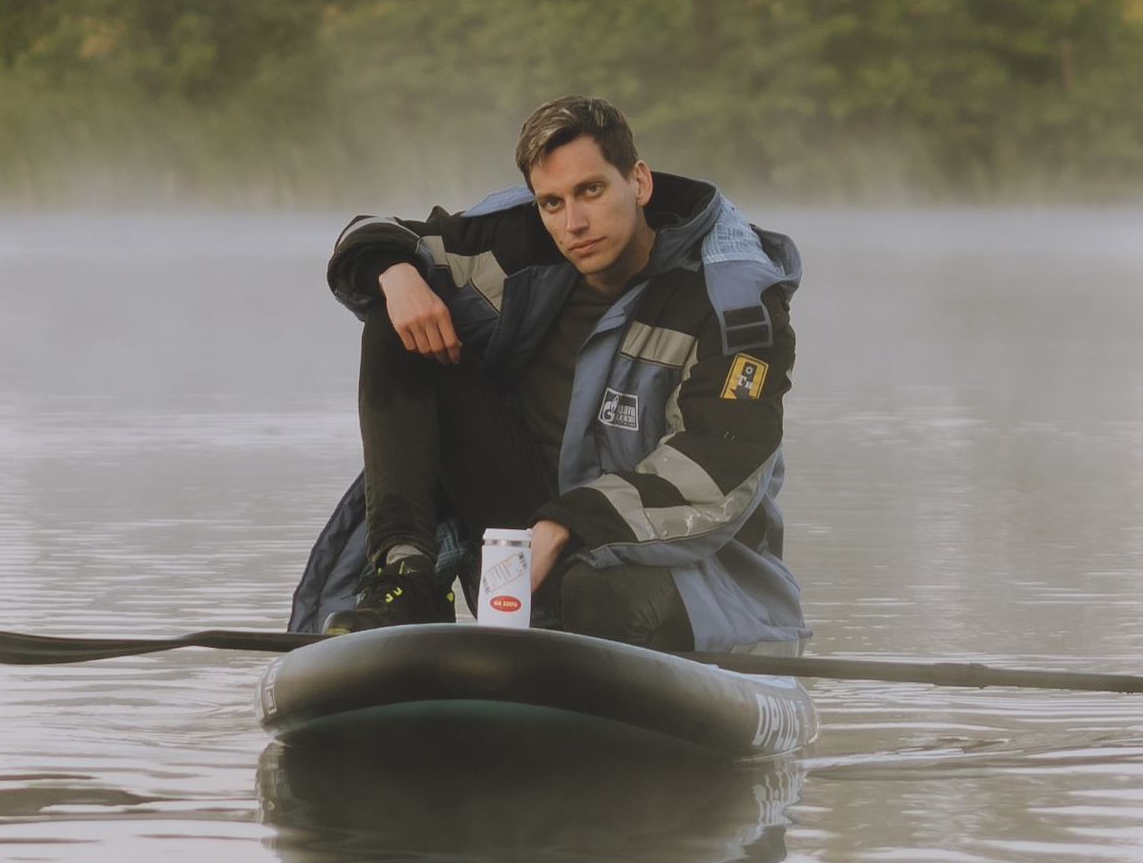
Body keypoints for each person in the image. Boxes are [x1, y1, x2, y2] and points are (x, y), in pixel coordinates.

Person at [288, 94, 805, 656]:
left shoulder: (735, 304)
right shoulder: (520, 239)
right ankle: (406, 580)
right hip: (525, 545)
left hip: (682, 562)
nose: (573, 223)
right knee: (400, 317)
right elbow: (373, 234)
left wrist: (568, 524)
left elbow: (717, 469)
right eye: (552, 202)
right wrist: (395, 274)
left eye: (591, 190)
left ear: (639, 181)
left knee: (599, 596)